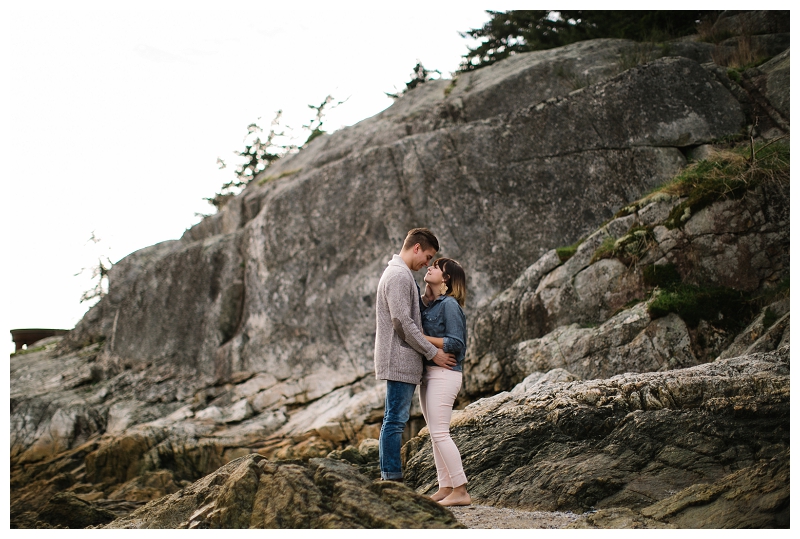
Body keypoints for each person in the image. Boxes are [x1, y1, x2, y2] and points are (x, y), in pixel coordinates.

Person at [374, 228, 457, 483]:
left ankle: (390, 476)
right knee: (395, 421)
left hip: (400, 360)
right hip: (398, 359)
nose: (427, 263)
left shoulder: (401, 275)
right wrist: (434, 354)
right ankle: (391, 478)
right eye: (428, 256)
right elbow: (402, 323)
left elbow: (409, 314)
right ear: (417, 248)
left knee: (393, 418)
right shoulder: (399, 275)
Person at [419, 257, 471, 506]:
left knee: (440, 433)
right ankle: (445, 486)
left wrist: (423, 337)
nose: (430, 267)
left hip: (445, 374)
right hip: (430, 374)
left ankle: (461, 490)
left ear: (447, 278)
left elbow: (456, 344)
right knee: (434, 434)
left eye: (436, 267)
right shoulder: (430, 305)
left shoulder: (450, 305)